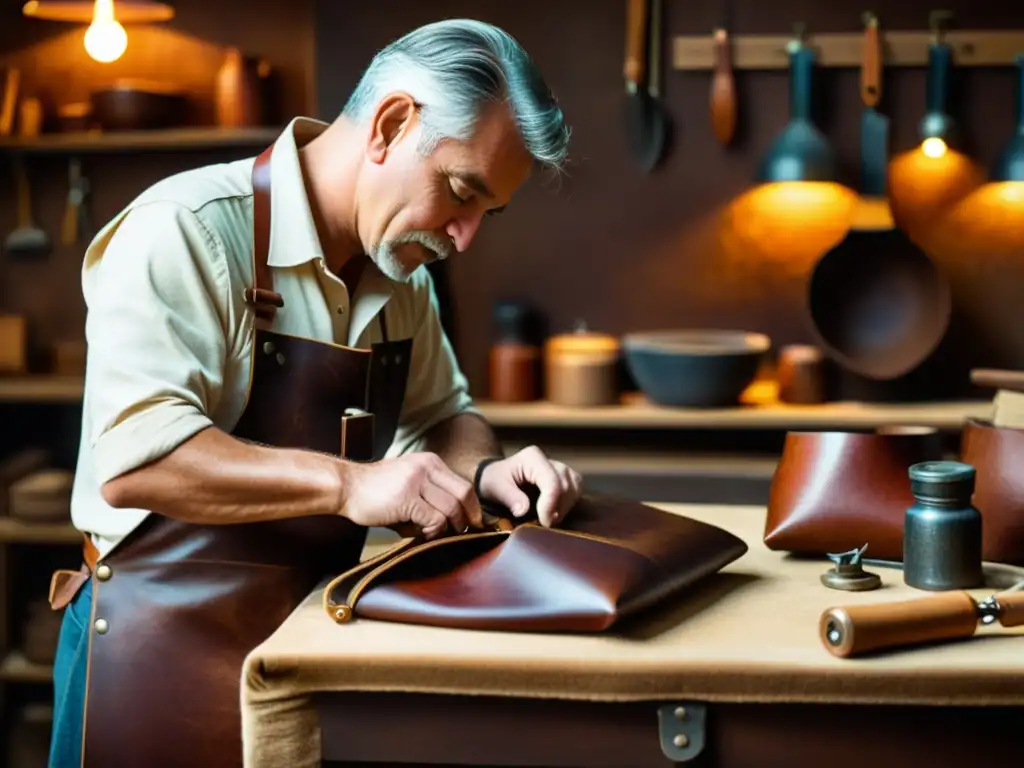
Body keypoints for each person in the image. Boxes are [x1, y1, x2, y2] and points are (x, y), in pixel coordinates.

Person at [47, 18, 581, 768]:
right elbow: (140, 462)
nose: (464, 238)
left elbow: (442, 416)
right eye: (460, 192)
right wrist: (348, 484)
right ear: (391, 126)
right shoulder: (186, 230)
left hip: (303, 655)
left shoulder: (404, 280)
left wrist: (486, 475)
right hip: (145, 659)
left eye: (484, 213)